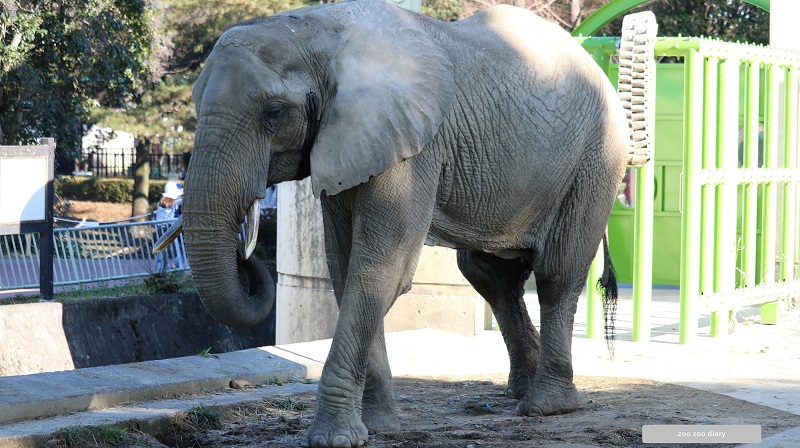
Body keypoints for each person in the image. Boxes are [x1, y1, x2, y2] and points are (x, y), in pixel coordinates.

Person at [155, 181, 185, 270]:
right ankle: (176, 265)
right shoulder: (180, 201)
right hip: (174, 229)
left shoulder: (162, 202)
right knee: (181, 249)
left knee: (161, 250)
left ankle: (160, 269)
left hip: (161, 229)